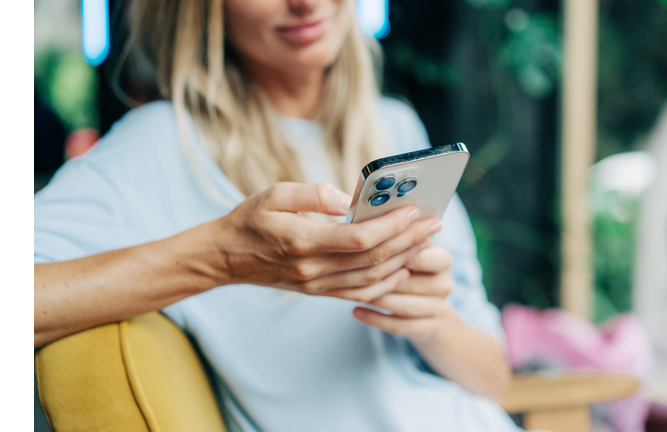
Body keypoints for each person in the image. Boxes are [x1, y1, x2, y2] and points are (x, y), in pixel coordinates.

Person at [34, 0, 518, 430]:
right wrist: (222, 258)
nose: (307, 4)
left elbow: (493, 382)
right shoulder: (161, 144)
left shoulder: (393, 124)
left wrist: (430, 317)